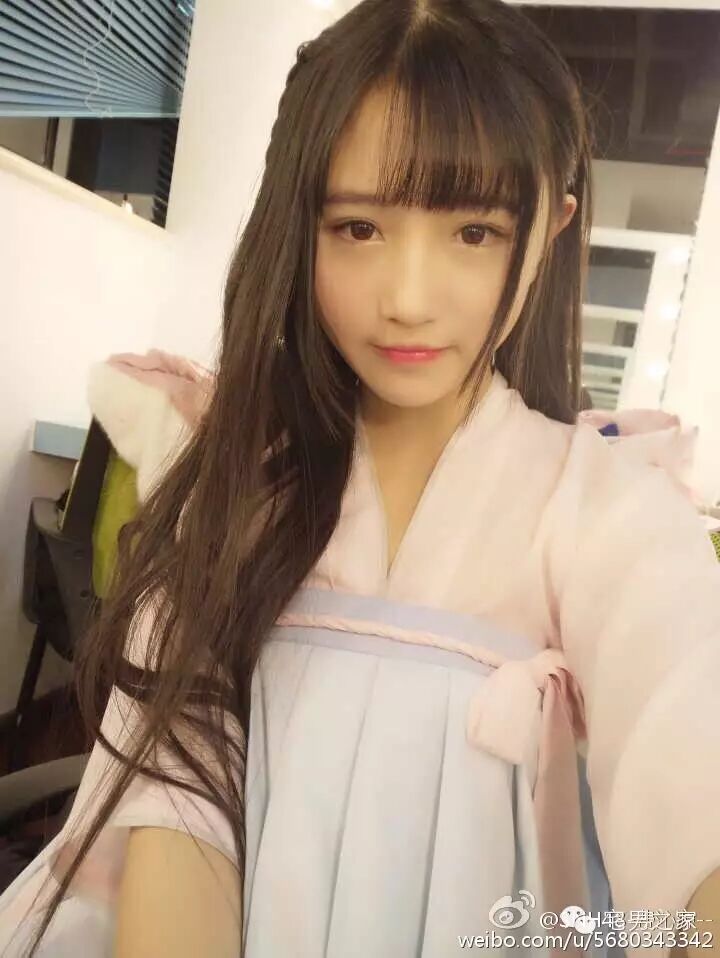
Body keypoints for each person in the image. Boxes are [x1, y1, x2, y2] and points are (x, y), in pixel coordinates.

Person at [1, 1, 719, 955]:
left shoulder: (609, 512)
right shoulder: (238, 491)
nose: (408, 300)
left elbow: (691, 780)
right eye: (358, 227)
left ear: (552, 228)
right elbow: (179, 815)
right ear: (298, 222)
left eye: (475, 233)